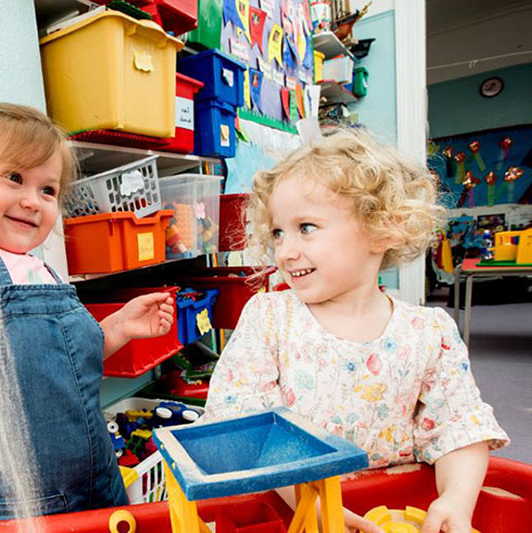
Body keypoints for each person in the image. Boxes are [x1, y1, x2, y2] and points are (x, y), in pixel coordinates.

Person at [203, 129, 508, 533]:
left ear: (384, 229)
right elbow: (243, 424)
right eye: (278, 232)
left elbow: (460, 427)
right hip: (289, 512)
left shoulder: (428, 332)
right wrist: (312, 506)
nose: (285, 250)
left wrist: (455, 500)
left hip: (393, 511)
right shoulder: (270, 318)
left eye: (306, 227)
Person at [0, 103, 174, 521]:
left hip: (101, 480)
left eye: (48, 190)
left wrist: (116, 328)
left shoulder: (41, 270)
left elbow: (63, 369)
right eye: (14, 177)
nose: (33, 201)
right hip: (27, 501)